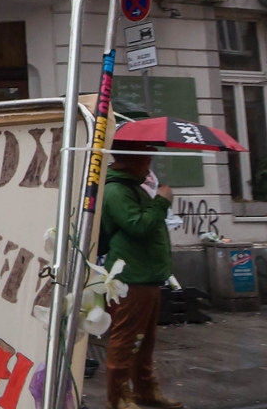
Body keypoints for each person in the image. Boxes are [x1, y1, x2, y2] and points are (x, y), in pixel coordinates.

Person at [101, 140, 183, 409]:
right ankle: (118, 397)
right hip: (131, 278)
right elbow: (137, 226)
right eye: (146, 156)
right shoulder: (116, 189)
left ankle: (145, 390)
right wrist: (160, 202)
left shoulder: (133, 187)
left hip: (146, 276)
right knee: (126, 340)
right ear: (132, 158)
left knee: (145, 341)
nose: (150, 162)